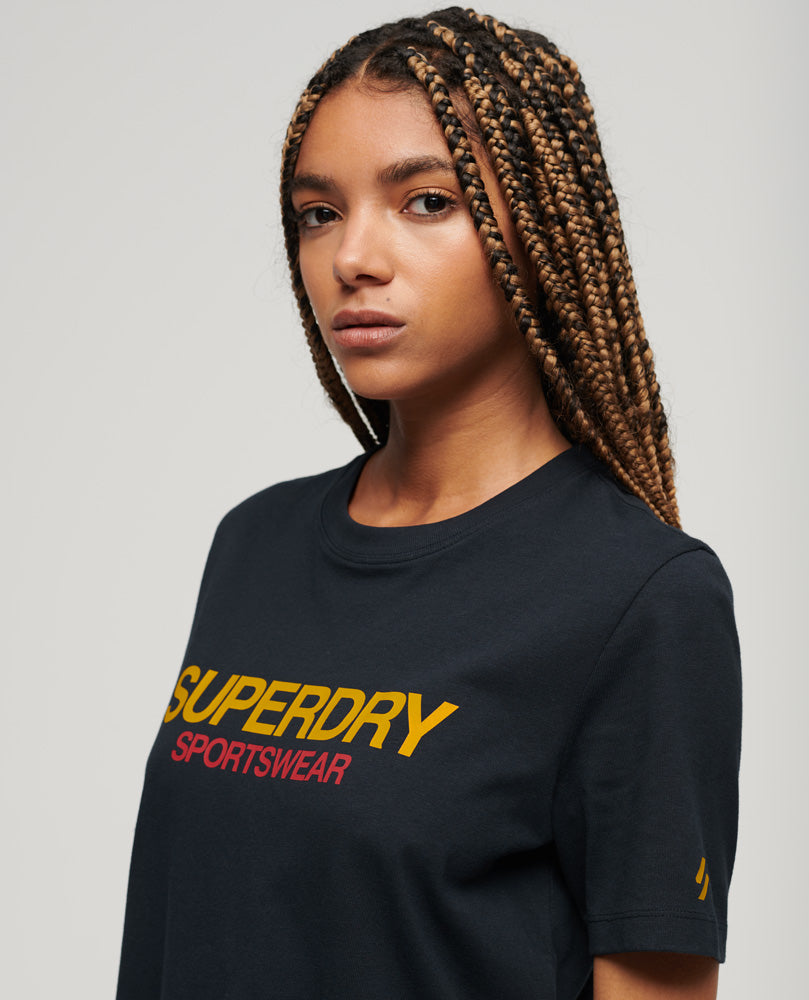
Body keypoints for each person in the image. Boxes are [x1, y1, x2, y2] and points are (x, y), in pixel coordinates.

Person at [116, 7, 741, 998]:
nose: (352, 257)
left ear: (538, 228)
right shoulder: (255, 544)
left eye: (427, 201)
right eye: (318, 213)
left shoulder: (642, 596)